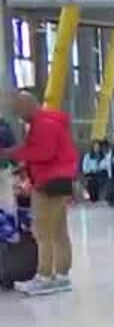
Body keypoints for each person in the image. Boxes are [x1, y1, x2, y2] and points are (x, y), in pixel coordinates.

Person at [2, 90, 78, 295]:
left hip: (48, 182)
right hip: (59, 180)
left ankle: (44, 276)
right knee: (59, 231)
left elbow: (43, 152)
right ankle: (62, 275)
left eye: (19, 110)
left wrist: (13, 153)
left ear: (29, 105)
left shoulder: (44, 124)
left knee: (42, 231)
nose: (19, 115)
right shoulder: (48, 122)